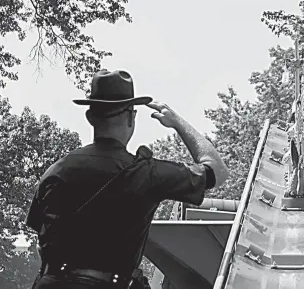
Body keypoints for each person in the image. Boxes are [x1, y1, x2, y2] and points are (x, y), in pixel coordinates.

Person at [25, 69, 229, 289]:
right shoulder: (146, 173)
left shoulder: (56, 171)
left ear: (90, 117)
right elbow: (217, 171)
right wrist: (177, 122)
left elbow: (40, 243)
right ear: (132, 117)